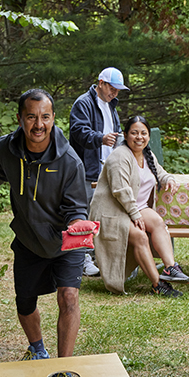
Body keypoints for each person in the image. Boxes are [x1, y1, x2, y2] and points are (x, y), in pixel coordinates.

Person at [0, 89, 89, 360]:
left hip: (65, 241)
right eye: (31, 117)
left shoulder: (70, 162)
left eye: (45, 117)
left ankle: (64, 366)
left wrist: (78, 225)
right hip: (29, 239)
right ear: (19, 119)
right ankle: (38, 349)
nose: (38, 124)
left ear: (53, 119)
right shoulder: (7, 148)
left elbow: (76, 208)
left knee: (69, 298)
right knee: (25, 302)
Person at [89, 115, 189, 297]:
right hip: (113, 212)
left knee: (158, 222)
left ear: (148, 136)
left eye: (143, 133)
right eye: (134, 133)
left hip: (135, 209)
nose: (139, 137)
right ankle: (157, 285)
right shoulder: (119, 156)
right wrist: (135, 216)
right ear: (125, 135)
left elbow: (161, 173)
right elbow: (120, 191)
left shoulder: (147, 155)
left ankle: (170, 268)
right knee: (140, 236)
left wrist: (169, 180)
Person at [69, 67, 129, 277]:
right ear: (101, 83)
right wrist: (100, 138)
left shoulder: (111, 105)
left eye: (118, 90)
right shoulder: (83, 103)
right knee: (83, 214)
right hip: (87, 170)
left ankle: (97, 255)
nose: (115, 93)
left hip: (106, 170)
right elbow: (78, 131)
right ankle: (82, 259)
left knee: (102, 214)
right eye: (112, 88)